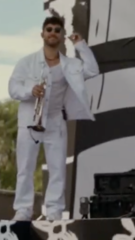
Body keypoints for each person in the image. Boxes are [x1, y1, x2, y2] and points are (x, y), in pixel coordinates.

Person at [8, 16, 99, 221]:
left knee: (58, 169)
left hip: (55, 121)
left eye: (57, 30)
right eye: (48, 29)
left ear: (61, 36)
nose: (52, 32)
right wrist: (30, 90)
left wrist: (80, 45)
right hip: (30, 121)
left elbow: (93, 70)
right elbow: (12, 88)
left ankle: (54, 212)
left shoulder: (71, 65)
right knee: (25, 168)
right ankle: (23, 210)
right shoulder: (26, 62)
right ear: (42, 34)